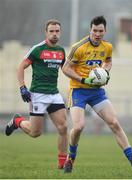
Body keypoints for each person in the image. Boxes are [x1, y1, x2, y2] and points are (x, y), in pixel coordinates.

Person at [62, 15, 132, 173]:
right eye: (95, 30)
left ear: (105, 31)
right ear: (90, 30)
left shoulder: (107, 47)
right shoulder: (79, 47)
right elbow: (66, 68)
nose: (97, 34)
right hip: (78, 91)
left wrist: (105, 73)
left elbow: (108, 62)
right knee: (79, 126)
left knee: (114, 123)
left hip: (96, 91)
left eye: (100, 31)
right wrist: (83, 79)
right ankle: (70, 158)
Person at [5, 19, 68, 169]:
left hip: (54, 94)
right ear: (46, 33)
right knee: (35, 133)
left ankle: (62, 164)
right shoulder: (37, 49)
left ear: (60, 32)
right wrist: (22, 87)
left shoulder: (61, 51)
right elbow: (21, 67)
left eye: (57, 31)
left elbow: (65, 69)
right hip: (38, 94)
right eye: (51, 31)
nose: (54, 34)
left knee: (63, 127)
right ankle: (18, 121)